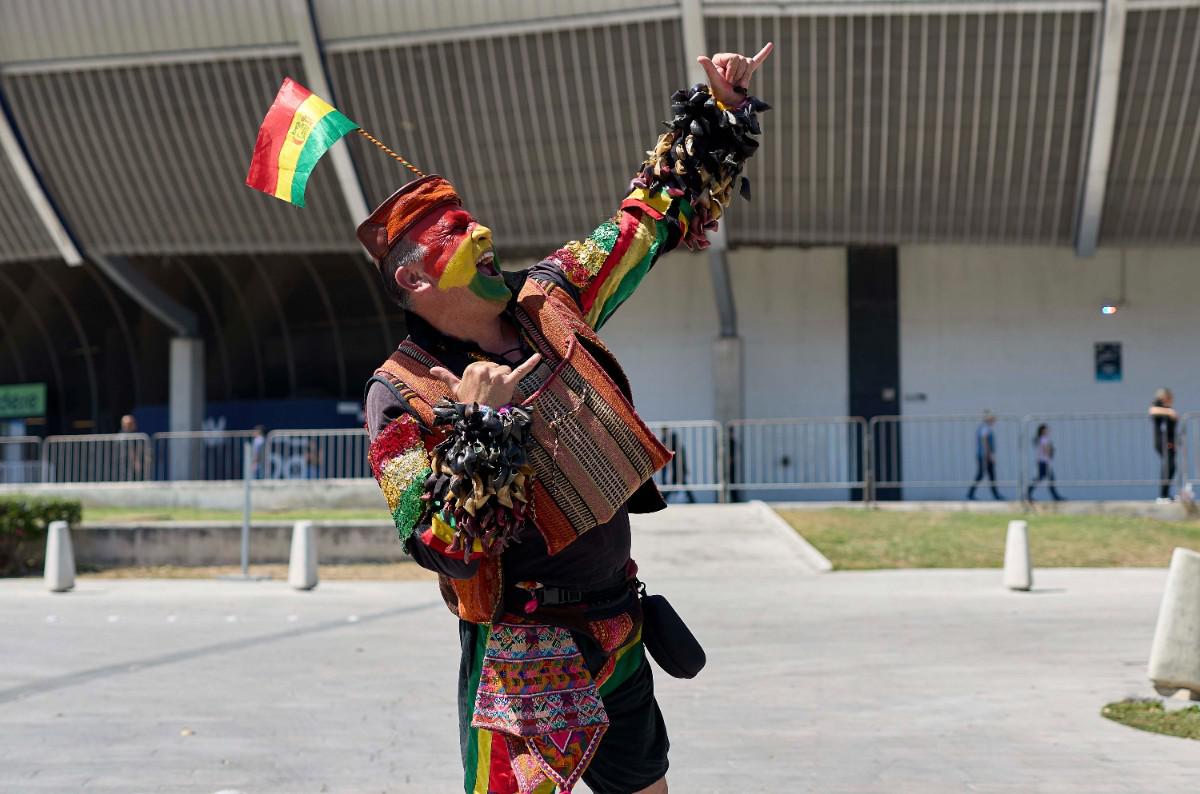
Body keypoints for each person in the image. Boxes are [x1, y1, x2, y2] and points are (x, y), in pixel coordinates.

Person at [361, 45, 772, 794]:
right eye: (455, 231)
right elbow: (441, 550)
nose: (481, 233)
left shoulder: (550, 299)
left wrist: (722, 110)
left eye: (471, 220)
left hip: (619, 629)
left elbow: (643, 222)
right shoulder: (401, 392)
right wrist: (480, 430)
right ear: (415, 277)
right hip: (523, 654)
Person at [967, 410, 1004, 500]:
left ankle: (995, 494)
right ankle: (971, 493)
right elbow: (985, 441)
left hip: (984, 455)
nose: (994, 421)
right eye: (992, 419)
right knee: (982, 474)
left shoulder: (985, 427)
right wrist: (989, 455)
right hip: (984, 456)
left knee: (991, 475)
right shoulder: (985, 428)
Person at [1150, 388, 1178, 502]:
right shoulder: (1158, 404)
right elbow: (1152, 410)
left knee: (1171, 467)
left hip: (1169, 441)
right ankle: (1162, 496)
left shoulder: (1166, 407)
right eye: (1170, 397)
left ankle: (1166, 494)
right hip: (1163, 441)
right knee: (1168, 467)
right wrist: (1169, 412)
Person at [1026, 423, 1064, 502]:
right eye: (1047, 430)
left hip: (1042, 462)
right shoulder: (1044, 439)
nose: (1048, 431)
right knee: (1049, 479)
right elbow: (1046, 450)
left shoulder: (1041, 439)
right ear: (1043, 431)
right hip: (1044, 462)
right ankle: (1055, 497)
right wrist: (1051, 450)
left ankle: (1028, 494)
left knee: (1043, 479)